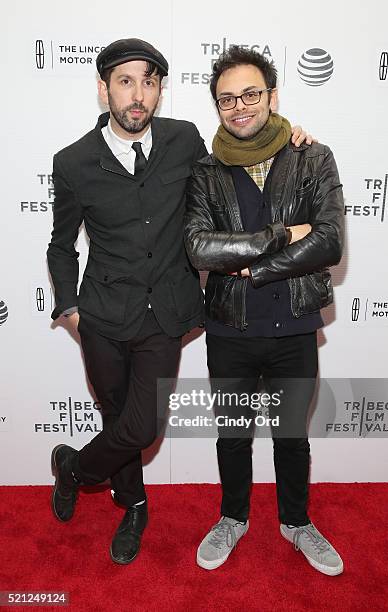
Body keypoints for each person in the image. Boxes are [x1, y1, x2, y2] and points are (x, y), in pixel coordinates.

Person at [47, 37, 313, 566]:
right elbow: (61, 245)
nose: (137, 94)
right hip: (101, 314)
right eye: (125, 82)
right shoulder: (73, 161)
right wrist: (69, 308)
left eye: (148, 82)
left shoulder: (184, 139)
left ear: (161, 91)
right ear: (104, 90)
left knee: (142, 426)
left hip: (165, 316)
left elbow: (235, 167)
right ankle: (135, 505)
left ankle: (73, 468)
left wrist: (291, 141)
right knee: (118, 415)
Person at [184, 46, 344, 576]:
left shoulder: (312, 157)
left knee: (291, 436)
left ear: (272, 96)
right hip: (229, 329)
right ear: (218, 107)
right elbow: (201, 249)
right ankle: (233, 517)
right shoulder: (205, 170)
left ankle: (296, 522)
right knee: (233, 434)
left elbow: (328, 242)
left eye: (251, 94)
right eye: (227, 99)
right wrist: (277, 236)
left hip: (294, 326)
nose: (240, 106)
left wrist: (257, 267)